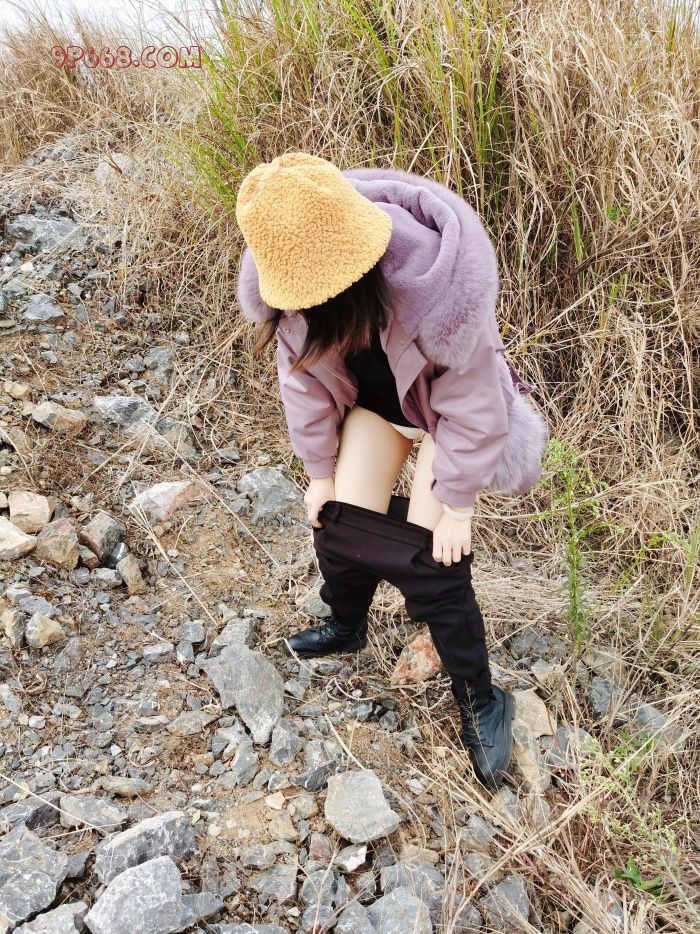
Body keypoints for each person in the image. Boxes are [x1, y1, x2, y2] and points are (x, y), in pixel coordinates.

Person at [234, 153, 549, 789]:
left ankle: (481, 695)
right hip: (379, 411)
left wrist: (457, 505)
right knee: (339, 521)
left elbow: (475, 406)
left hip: (442, 418)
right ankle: (347, 623)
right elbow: (303, 387)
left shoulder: (437, 289)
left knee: (434, 555)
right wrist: (319, 472)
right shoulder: (287, 292)